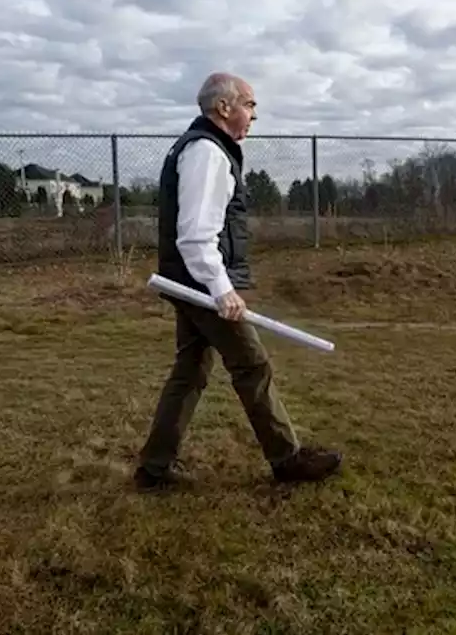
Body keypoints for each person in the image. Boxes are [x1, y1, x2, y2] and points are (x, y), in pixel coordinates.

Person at [133, 72, 343, 490]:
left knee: (190, 370)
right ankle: (287, 459)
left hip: (190, 281)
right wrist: (221, 288)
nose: (253, 115)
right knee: (252, 364)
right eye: (249, 105)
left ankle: (153, 469)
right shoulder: (208, 153)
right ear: (223, 107)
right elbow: (195, 235)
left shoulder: (203, 148)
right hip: (199, 283)